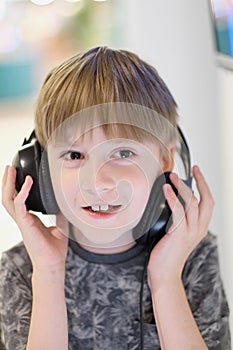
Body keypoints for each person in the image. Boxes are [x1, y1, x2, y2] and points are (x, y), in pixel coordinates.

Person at [0, 46, 231, 350]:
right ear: (40, 169)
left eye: (123, 153)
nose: (97, 182)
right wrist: (49, 273)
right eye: (74, 155)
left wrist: (165, 279)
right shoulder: (22, 268)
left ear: (164, 160)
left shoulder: (191, 255)